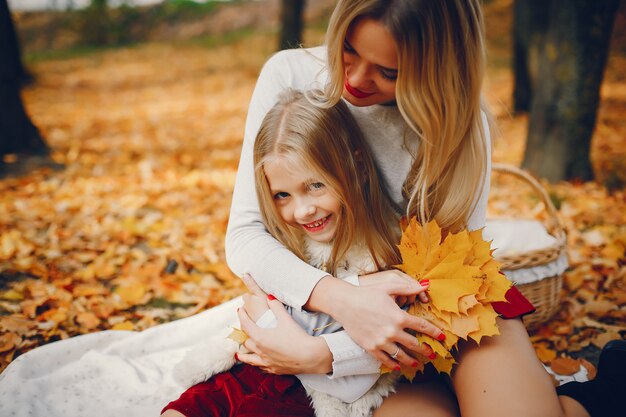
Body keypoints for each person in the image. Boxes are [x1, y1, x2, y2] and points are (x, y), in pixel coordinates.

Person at [217, 1, 624, 416]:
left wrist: (326, 356)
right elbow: (248, 235)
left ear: (436, 70)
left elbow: (450, 276)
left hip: (445, 312)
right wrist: (342, 302)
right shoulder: (291, 74)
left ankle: (588, 398)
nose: (354, 79)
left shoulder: (463, 130)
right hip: (348, 331)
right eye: (348, 49)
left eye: (388, 72)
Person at [161, 89, 435, 417]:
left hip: (317, 391)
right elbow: (258, 303)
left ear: (357, 166)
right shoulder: (288, 242)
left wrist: (290, 325)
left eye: (315, 185)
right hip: (254, 365)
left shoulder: (387, 252)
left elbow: (373, 357)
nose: (302, 211)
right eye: (282, 194)